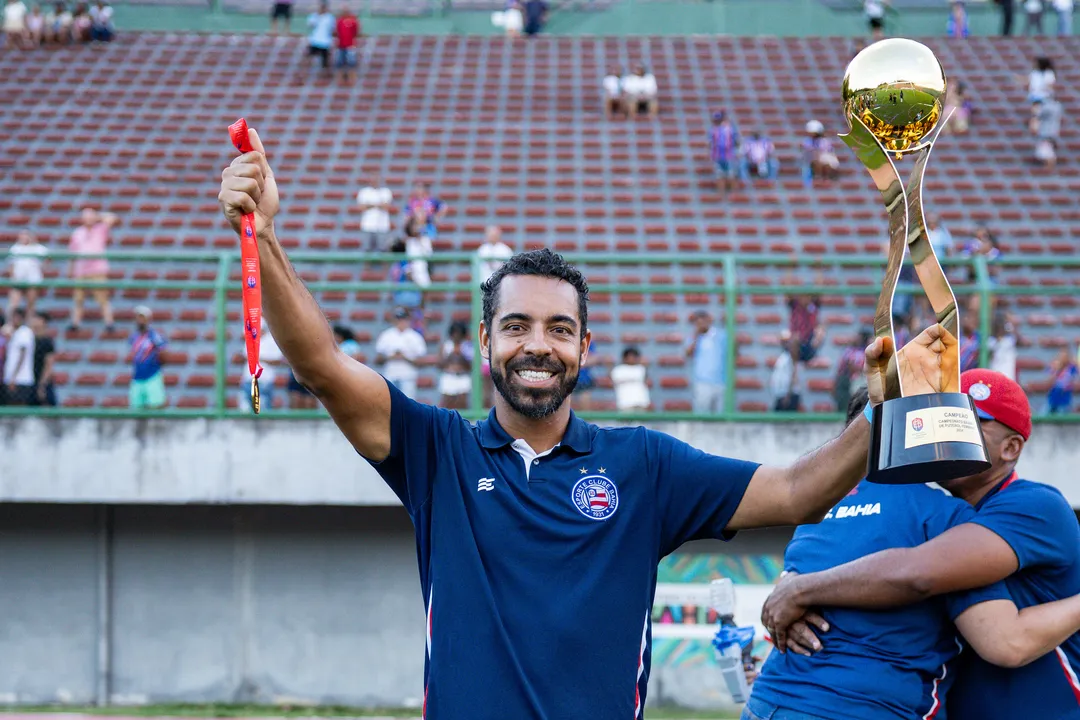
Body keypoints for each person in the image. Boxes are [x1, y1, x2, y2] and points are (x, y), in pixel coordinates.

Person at [217, 125, 955, 719]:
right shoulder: (434, 452)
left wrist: (887, 412)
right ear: (485, 343)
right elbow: (319, 366)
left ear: (585, 348)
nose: (537, 344)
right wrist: (266, 236)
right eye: (516, 326)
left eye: (558, 329)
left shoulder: (644, 467)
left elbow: (797, 492)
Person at [761, 369, 1080, 720]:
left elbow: (920, 575)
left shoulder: (1034, 506)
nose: (949, 431)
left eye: (969, 420)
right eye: (944, 417)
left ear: (1011, 447)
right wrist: (790, 591)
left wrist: (798, 589)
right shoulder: (933, 511)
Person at [68, 206, 117, 331]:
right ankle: (75, 323)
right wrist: (71, 269)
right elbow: (72, 253)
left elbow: (112, 217)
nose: (88, 219)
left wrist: (97, 216)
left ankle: (109, 323)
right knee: (78, 299)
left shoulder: (100, 229)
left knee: (102, 298)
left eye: (90, 216)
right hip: (81, 270)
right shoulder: (77, 232)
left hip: (97, 269)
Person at [373, 306, 427, 400]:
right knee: (390, 405)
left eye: (403, 318)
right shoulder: (386, 335)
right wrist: (391, 357)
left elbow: (421, 362)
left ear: (408, 319)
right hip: (390, 375)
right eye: (398, 318)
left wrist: (404, 357)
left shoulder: (415, 337)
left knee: (408, 405)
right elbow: (377, 360)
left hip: (408, 376)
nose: (401, 321)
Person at [128, 305, 166, 410]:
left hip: (152, 375)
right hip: (137, 376)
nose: (140, 320)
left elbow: (164, 354)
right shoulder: (133, 337)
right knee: (136, 407)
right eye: (138, 317)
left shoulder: (155, 336)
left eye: (142, 317)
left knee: (156, 405)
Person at [6, 230, 48, 318]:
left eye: (26, 235)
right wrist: (12, 277)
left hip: (33, 281)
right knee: (13, 304)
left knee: (31, 305)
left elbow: (48, 259)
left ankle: (30, 324)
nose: (24, 237)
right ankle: (10, 324)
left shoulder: (38, 248)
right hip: (18, 281)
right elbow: (11, 265)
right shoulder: (15, 248)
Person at [2, 307, 36, 405]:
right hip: (10, 378)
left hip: (21, 379)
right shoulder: (13, 332)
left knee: (18, 406)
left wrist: (14, 377)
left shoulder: (24, 332)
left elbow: (22, 356)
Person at [610, 346, 650, 412]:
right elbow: (613, 381)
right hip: (625, 404)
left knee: (641, 421)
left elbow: (646, 381)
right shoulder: (618, 370)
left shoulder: (641, 369)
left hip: (641, 403)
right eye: (630, 356)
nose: (632, 359)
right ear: (624, 358)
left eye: (634, 356)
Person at [30, 310, 56, 406]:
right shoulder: (29, 339)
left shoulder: (47, 342)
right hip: (30, 380)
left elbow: (49, 365)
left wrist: (42, 385)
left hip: (40, 381)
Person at [306, 1, 334, 75]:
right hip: (315, 40)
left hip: (325, 41)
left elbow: (332, 29)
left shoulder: (330, 17)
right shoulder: (314, 16)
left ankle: (325, 75)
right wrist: (318, 16)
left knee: (325, 60)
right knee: (309, 57)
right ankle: (303, 74)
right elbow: (310, 25)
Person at [334, 6, 359, 84]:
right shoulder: (339, 21)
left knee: (352, 63)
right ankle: (339, 79)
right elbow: (337, 32)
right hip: (341, 45)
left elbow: (355, 32)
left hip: (350, 45)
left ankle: (352, 79)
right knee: (339, 63)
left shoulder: (353, 21)